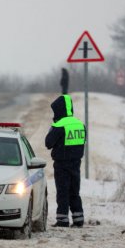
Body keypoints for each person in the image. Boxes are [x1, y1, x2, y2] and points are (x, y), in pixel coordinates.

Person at [45, 94, 86, 228]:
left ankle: (62, 220)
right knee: (74, 191)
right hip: (76, 162)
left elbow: (48, 143)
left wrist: (52, 128)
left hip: (62, 164)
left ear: (59, 110)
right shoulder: (80, 124)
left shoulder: (60, 125)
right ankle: (78, 218)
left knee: (62, 192)